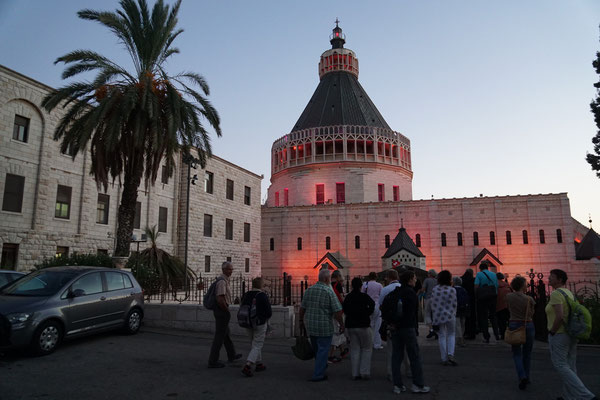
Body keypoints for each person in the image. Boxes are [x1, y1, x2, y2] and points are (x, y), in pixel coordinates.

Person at [546, 269, 597, 400]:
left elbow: (559, 316)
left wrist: (552, 331)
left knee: (560, 365)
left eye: (552, 276)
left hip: (559, 334)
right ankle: (569, 396)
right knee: (570, 366)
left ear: (560, 280)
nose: (549, 278)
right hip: (570, 333)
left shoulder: (556, 294)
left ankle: (587, 396)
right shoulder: (568, 292)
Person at [387, 270, 430, 394]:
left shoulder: (396, 292)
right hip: (408, 327)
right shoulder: (410, 293)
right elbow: (412, 314)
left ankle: (398, 385)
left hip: (395, 328)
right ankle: (418, 384)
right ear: (410, 279)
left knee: (396, 356)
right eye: (415, 278)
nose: (416, 280)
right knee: (414, 356)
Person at [299, 269, 345, 382]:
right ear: (326, 279)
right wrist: (341, 324)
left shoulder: (309, 290)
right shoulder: (329, 292)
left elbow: (302, 308)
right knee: (323, 349)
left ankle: (321, 366)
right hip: (324, 326)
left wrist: (301, 321)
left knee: (317, 349)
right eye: (329, 278)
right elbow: (337, 310)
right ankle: (318, 374)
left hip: (311, 325)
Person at [208, 262, 242, 368]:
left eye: (231, 269)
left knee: (226, 334)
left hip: (221, 310)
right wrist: (226, 310)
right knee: (219, 336)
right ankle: (213, 361)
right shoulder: (222, 282)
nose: (230, 271)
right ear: (223, 270)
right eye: (228, 269)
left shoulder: (224, 280)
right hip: (222, 311)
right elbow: (220, 298)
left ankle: (232, 355)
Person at [505, 276, 535, 390]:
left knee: (516, 353)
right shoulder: (529, 299)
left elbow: (508, 308)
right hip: (527, 324)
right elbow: (532, 313)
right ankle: (527, 376)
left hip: (514, 324)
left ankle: (521, 375)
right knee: (527, 353)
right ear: (523, 285)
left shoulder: (508, 297)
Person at [343, 277, 375, 380]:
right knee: (366, 348)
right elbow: (373, 305)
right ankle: (364, 371)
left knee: (355, 349)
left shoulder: (348, 297)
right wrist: (367, 313)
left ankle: (355, 373)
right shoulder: (364, 296)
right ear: (361, 286)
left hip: (351, 325)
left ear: (352, 285)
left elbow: (345, 309)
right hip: (364, 324)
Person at [241, 277, 273, 377]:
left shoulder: (246, 295)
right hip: (259, 323)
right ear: (261, 285)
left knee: (253, 344)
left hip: (247, 322)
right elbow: (268, 312)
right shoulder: (262, 295)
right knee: (257, 344)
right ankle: (248, 365)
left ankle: (259, 364)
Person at [430, 270, 457, 365]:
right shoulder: (452, 289)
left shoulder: (435, 289)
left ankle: (443, 358)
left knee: (441, 335)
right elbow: (454, 303)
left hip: (438, 315)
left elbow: (432, 303)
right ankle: (450, 354)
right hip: (450, 315)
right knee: (451, 334)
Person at [379, 269, 401, 380]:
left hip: (390, 322)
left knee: (391, 349)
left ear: (389, 277)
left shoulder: (385, 289)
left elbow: (380, 305)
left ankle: (390, 372)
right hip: (403, 322)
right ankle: (408, 370)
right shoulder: (403, 287)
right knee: (405, 349)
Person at [474, 261, 499, 343]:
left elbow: (476, 286)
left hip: (483, 298)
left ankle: (486, 337)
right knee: (493, 316)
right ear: (487, 268)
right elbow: (496, 286)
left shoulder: (479, 274)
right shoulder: (494, 274)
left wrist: (476, 295)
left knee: (484, 317)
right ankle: (497, 334)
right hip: (493, 297)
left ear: (480, 268)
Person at [329, 270, 348, 362]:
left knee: (337, 330)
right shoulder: (338, 285)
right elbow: (342, 297)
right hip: (338, 309)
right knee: (337, 331)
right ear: (338, 276)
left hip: (330, 309)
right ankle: (331, 355)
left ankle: (342, 350)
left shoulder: (328, 285)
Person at [362, 272, 384, 349]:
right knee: (377, 325)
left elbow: (362, 294)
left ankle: (368, 343)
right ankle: (377, 344)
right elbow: (382, 295)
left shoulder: (365, 284)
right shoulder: (379, 285)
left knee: (369, 325)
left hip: (367, 305)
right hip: (377, 305)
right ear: (376, 277)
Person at [419, 269, 438, 339]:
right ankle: (436, 329)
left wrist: (419, 292)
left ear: (430, 274)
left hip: (428, 298)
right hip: (436, 299)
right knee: (435, 314)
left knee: (427, 314)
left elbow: (423, 289)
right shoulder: (437, 281)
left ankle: (431, 329)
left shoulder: (427, 280)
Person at [460, 268, 477, 340]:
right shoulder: (473, 280)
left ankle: (465, 332)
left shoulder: (461, 279)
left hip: (463, 301)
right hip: (472, 300)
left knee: (464, 318)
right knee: (472, 317)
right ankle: (472, 332)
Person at [453, 276, 469, 347]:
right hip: (464, 309)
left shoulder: (453, 290)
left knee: (458, 325)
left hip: (456, 309)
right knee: (463, 324)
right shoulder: (464, 290)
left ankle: (459, 339)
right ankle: (461, 337)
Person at [496, 272, 512, 340]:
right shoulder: (507, 285)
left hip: (498, 305)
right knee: (508, 320)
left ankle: (502, 334)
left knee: (500, 321)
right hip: (507, 305)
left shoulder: (495, 285)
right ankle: (510, 334)